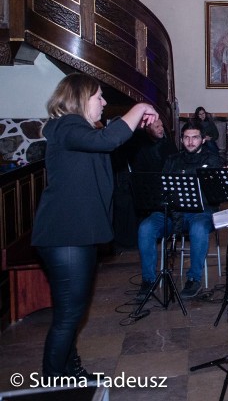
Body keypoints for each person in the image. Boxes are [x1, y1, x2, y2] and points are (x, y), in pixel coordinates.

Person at [32, 73, 158, 381]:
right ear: (79, 98)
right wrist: (140, 106)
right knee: (69, 314)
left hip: (76, 233)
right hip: (66, 235)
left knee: (72, 312)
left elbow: (109, 140)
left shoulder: (79, 131)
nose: (104, 103)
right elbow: (109, 139)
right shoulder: (66, 126)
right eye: (99, 97)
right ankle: (52, 380)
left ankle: (68, 371)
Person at [135, 120, 222, 302]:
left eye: (195, 138)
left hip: (201, 212)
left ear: (203, 140)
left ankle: (193, 278)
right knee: (146, 227)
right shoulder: (172, 160)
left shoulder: (213, 160)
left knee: (198, 228)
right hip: (172, 211)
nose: (190, 142)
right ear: (181, 139)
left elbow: (216, 196)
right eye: (187, 138)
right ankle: (148, 279)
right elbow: (162, 189)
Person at [111, 118, 178, 249]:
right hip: (144, 187)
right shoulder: (140, 144)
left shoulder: (167, 145)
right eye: (156, 126)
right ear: (147, 129)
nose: (161, 129)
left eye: (161, 126)